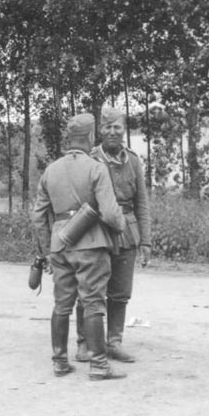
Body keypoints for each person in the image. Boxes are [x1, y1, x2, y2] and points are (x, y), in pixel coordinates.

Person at [32, 113, 127, 381]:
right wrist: (121, 226)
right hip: (92, 244)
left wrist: (46, 250)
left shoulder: (51, 170)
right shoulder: (96, 168)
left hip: (60, 244)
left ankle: (60, 362)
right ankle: (99, 365)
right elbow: (110, 213)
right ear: (89, 137)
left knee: (62, 303)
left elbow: (38, 217)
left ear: (69, 138)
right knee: (93, 302)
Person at [73, 107, 152, 363]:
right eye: (107, 127)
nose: (112, 132)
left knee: (120, 292)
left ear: (124, 130)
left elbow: (142, 203)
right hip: (96, 230)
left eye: (117, 127)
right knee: (90, 289)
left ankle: (114, 342)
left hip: (127, 231)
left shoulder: (133, 161)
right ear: (100, 131)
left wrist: (146, 240)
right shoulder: (90, 159)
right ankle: (84, 342)